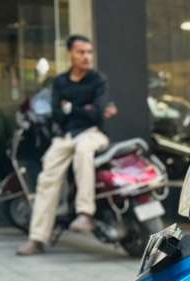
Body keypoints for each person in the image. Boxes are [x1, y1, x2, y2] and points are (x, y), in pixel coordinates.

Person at [17, 34, 118, 256]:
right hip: (66, 137)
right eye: (81, 52)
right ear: (70, 54)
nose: (86, 57)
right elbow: (57, 115)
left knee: (83, 152)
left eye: (89, 52)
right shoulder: (60, 82)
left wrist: (71, 108)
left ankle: (85, 213)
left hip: (92, 134)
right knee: (47, 178)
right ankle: (37, 238)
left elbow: (97, 114)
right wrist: (84, 109)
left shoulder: (98, 80)